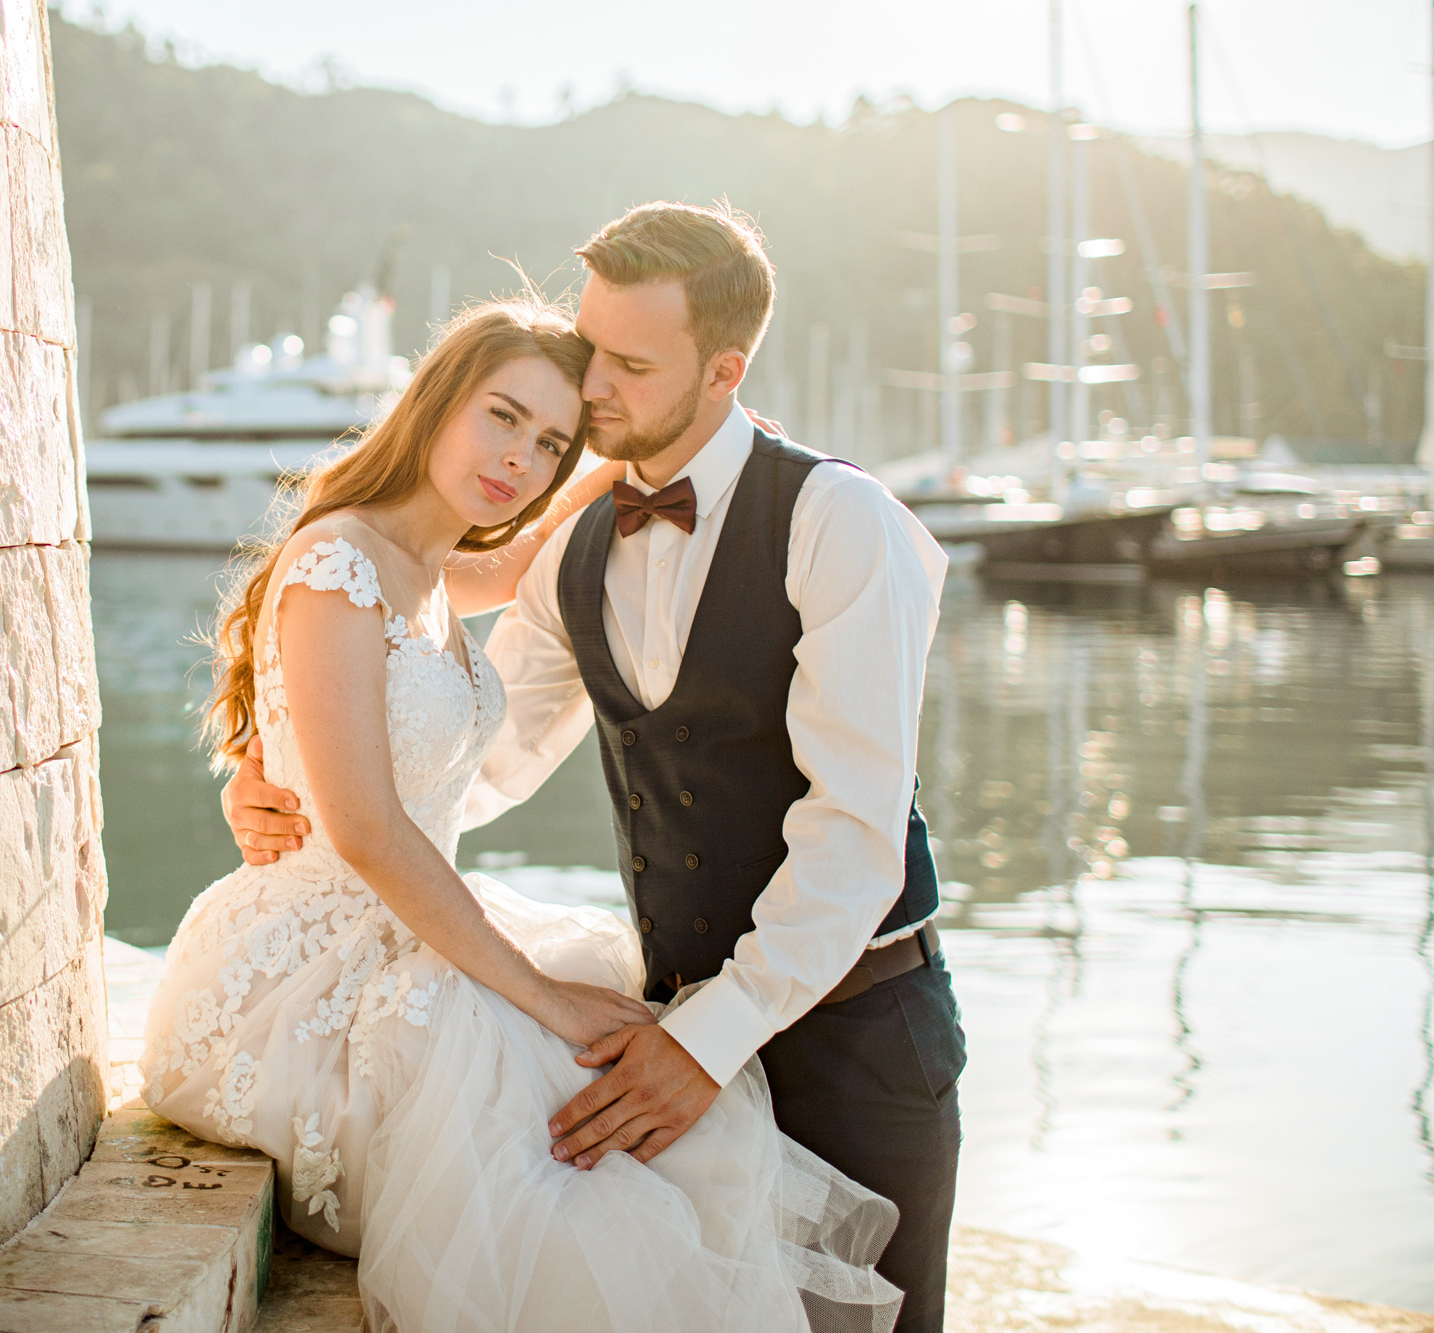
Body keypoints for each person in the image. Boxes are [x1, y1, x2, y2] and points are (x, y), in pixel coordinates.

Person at [223, 203, 966, 1331]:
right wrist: (302, 794)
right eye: (590, 342)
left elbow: (853, 833)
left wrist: (705, 1045)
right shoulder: (573, 544)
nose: (590, 383)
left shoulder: (839, 522)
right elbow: (475, 753)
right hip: (662, 1030)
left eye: (628, 362)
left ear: (723, 371)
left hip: (854, 1041)